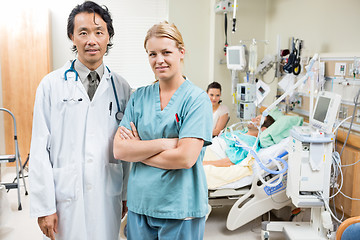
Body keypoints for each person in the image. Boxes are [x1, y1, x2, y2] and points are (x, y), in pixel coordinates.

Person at [28, 2, 132, 240]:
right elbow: (39, 148)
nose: (91, 40)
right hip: (66, 197)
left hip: (108, 193)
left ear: (108, 36)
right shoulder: (51, 85)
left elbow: (127, 149)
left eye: (98, 32)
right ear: (72, 36)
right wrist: (45, 206)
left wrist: (126, 193)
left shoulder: (122, 89)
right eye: (83, 33)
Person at [113, 21, 213, 240]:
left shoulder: (197, 100)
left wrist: (139, 151)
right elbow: (120, 150)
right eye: (152, 54)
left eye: (166, 52)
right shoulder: (138, 97)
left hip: (180, 206)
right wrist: (166, 143)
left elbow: (185, 158)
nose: (159, 60)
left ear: (181, 52)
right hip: (140, 205)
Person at [203, 115, 275, 167]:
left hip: (212, 153)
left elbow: (231, 161)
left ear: (263, 129)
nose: (252, 119)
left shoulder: (251, 143)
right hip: (206, 146)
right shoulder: (241, 132)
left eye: (257, 120)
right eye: (255, 118)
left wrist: (205, 163)